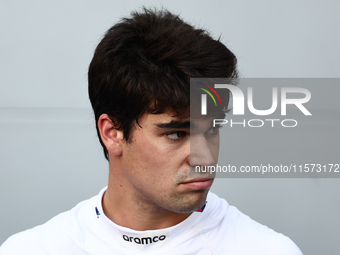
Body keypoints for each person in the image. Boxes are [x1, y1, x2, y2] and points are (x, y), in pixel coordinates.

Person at [0, 7, 302, 255]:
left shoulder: (267, 250)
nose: (204, 158)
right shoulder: (32, 249)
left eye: (212, 128)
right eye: (176, 133)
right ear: (112, 133)